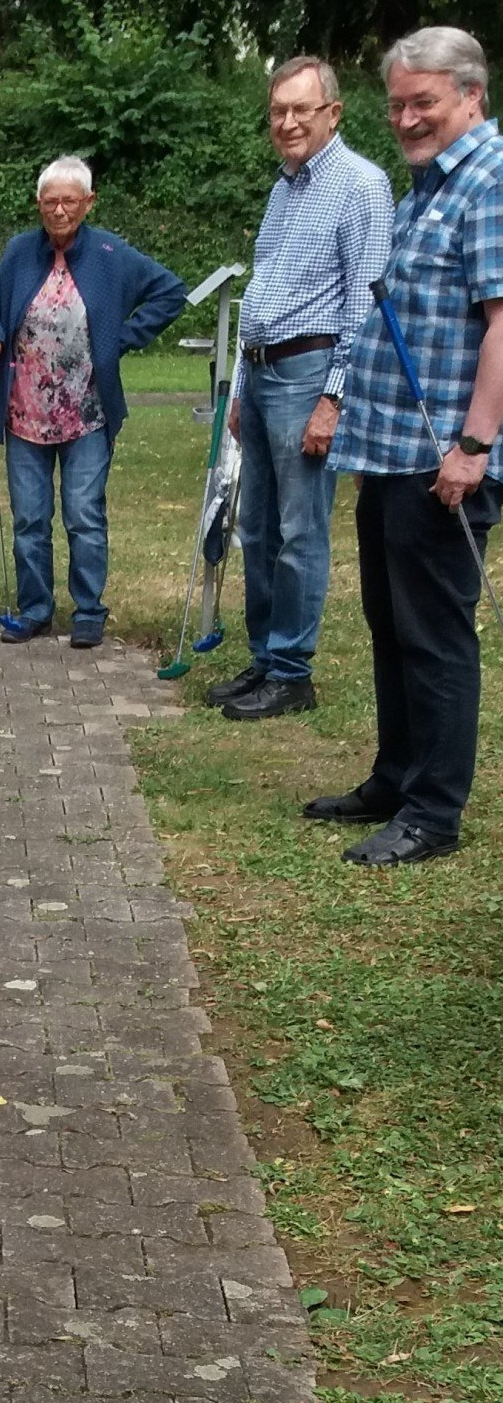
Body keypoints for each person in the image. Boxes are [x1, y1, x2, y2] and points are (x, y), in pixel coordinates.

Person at [324, 26, 503, 866]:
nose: (404, 119)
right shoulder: (429, 187)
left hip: (445, 460)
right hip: (393, 449)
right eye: (395, 105)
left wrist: (474, 445)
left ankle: (433, 812)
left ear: (472, 95)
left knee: (434, 635)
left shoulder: (490, 182)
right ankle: (396, 778)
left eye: (422, 102)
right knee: (391, 624)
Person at [213, 58, 393, 722]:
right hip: (262, 373)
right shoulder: (284, 187)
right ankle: (265, 657)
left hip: (309, 374)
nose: (287, 122)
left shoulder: (362, 185)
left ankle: (292, 672)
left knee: (299, 531)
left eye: (301, 109)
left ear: (333, 114)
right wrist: (240, 386)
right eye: (278, 111)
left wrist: (334, 398)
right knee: (257, 527)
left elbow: (364, 305)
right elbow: (262, 290)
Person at [0, 157, 186, 648]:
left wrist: (122, 339)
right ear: (38, 205)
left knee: (83, 514)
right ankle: (35, 610)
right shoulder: (19, 251)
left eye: (70, 201)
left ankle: (88, 611)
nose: (60, 210)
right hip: (24, 410)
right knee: (29, 518)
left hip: (88, 411)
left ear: (89, 203)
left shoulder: (111, 253)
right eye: (50, 202)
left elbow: (170, 292)